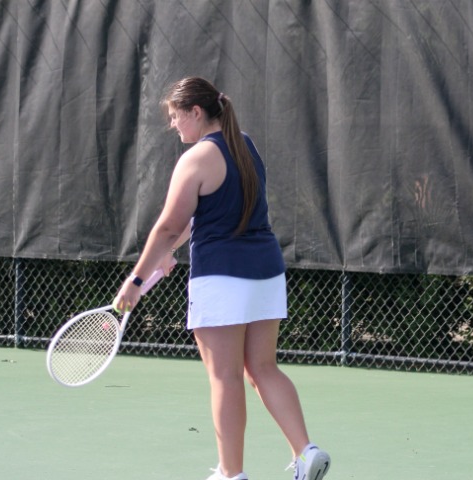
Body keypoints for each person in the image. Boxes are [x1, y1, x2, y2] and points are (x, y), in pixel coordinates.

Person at [112, 77, 330, 480]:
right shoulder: (246, 145)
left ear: (196, 112)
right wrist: (169, 254)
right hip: (266, 272)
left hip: (222, 278)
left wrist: (136, 281)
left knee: (225, 376)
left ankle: (231, 474)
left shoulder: (196, 159)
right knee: (263, 368)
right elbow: (207, 215)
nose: (173, 125)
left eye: (176, 116)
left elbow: (167, 226)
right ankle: (306, 452)